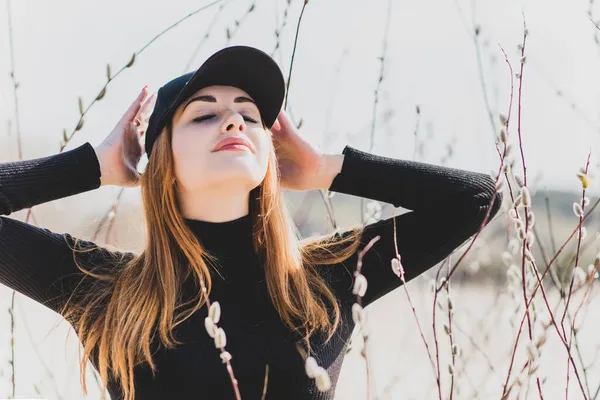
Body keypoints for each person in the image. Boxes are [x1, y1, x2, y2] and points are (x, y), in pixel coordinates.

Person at [0, 45, 503, 400]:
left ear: (269, 151)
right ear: (163, 161)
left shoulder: (324, 281)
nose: (235, 120)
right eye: (204, 115)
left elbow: (477, 200)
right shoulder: (107, 292)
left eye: (250, 115)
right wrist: (94, 165)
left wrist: (329, 168)